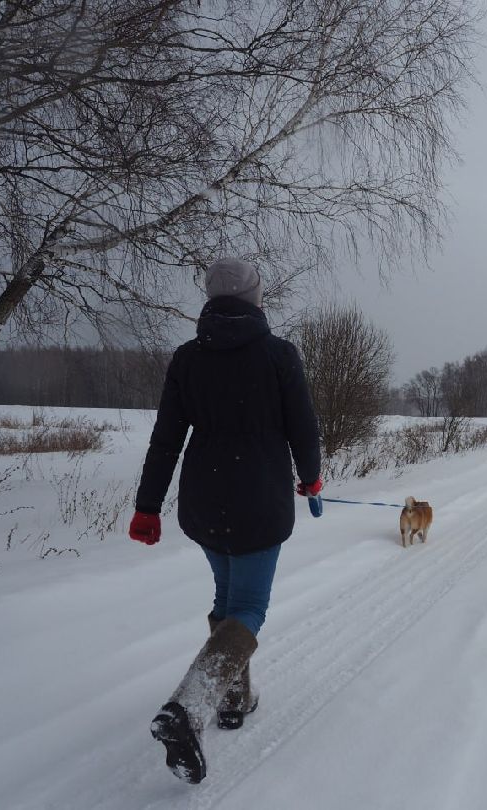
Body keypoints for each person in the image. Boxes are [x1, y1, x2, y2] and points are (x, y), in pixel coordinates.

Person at [128, 257, 322, 784]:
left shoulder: (188, 358)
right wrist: (312, 478)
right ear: (256, 298)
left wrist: (148, 505)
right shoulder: (279, 355)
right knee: (250, 606)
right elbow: (303, 427)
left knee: (228, 597)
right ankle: (190, 705)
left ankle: (234, 699)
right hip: (259, 501)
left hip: (205, 501)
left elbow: (166, 439)